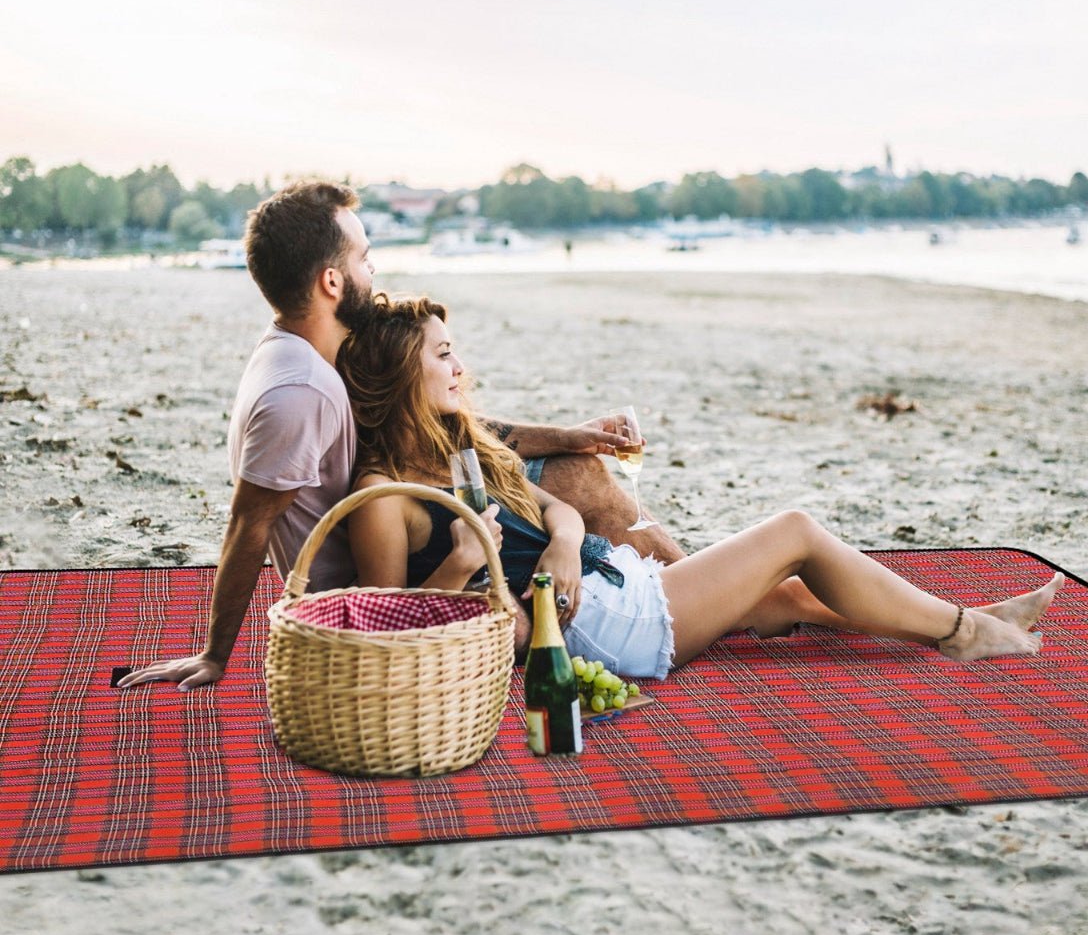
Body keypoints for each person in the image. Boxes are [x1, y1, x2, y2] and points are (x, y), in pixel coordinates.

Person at [116, 180, 702, 692]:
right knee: (575, 483)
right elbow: (250, 523)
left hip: (411, 507)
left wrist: (569, 435)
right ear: (330, 280)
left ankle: (685, 590)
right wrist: (215, 654)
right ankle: (688, 599)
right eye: (364, 259)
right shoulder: (302, 389)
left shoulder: (317, 353)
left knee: (576, 464)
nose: (373, 272)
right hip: (385, 566)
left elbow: (440, 427)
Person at [337, 295, 1063, 676]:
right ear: (403, 376)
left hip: (605, 578)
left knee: (778, 593)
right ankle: (963, 632)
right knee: (796, 533)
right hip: (603, 628)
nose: (459, 366)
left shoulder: (464, 440)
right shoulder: (386, 496)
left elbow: (556, 507)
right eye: (443, 354)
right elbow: (389, 627)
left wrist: (564, 541)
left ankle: (965, 615)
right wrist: (464, 561)